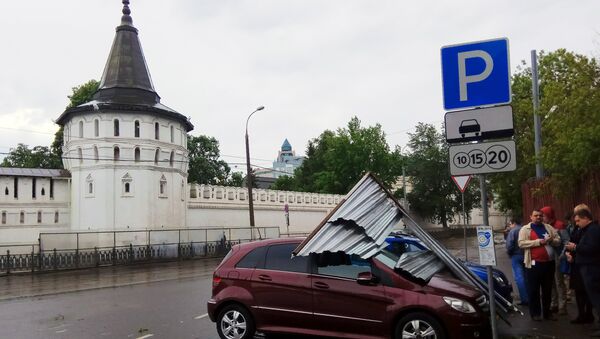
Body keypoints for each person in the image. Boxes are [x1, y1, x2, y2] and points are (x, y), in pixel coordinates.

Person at [519, 209, 561, 321]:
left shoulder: (548, 227)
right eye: (535, 215)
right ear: (531, 217)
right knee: (534, 290)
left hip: (549, 264)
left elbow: (558, 240)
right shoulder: (525, 229)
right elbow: (521, 243)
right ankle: (535, 314)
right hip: (533, 264)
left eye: (540, 215)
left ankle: (547, 313)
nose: (538, 217)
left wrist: (552, 241)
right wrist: (538, 242)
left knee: (547, 290)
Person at [566, 206, 600, 336]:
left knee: (596, 297)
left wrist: (575, 247)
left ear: (586, 218)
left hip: (592, 268)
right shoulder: (586, 230)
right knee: (592, 297)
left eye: (578, 220)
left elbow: (591, 248)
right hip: (586, 267)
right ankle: (586, 317)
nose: (577, 223)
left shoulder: (593, 230)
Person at [540, 206, 568, 315]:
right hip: (547, 258)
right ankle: (554, 304)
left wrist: (562, 255)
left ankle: (562, 306)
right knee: (550, 282)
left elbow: (566, 241)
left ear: (549, 215)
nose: (542, 218)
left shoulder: (559, 225)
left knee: (559, 281)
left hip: (558, 257)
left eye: (544, 215)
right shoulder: (544, 226)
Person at [505, 216, 528, 305]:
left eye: (510, 224)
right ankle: (530, 296)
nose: (510, 226)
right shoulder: (525, 229)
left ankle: (525, 299)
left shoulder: (513, 231)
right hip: (526, 255)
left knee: (519, 278)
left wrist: (510, 254)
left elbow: (509, 245)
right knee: (526, 277)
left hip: (516, 256)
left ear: (514, 223)